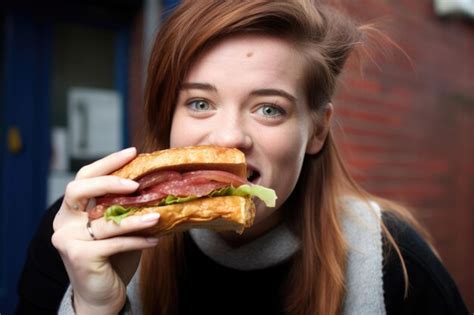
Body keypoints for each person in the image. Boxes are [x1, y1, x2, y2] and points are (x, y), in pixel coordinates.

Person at [16, 1, 469, 314]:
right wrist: (94, 306)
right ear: (167, 116)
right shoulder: (76, 240)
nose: (229, 136)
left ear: (317, 129)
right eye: (199, 103)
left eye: (269, 108)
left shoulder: (397, 263)